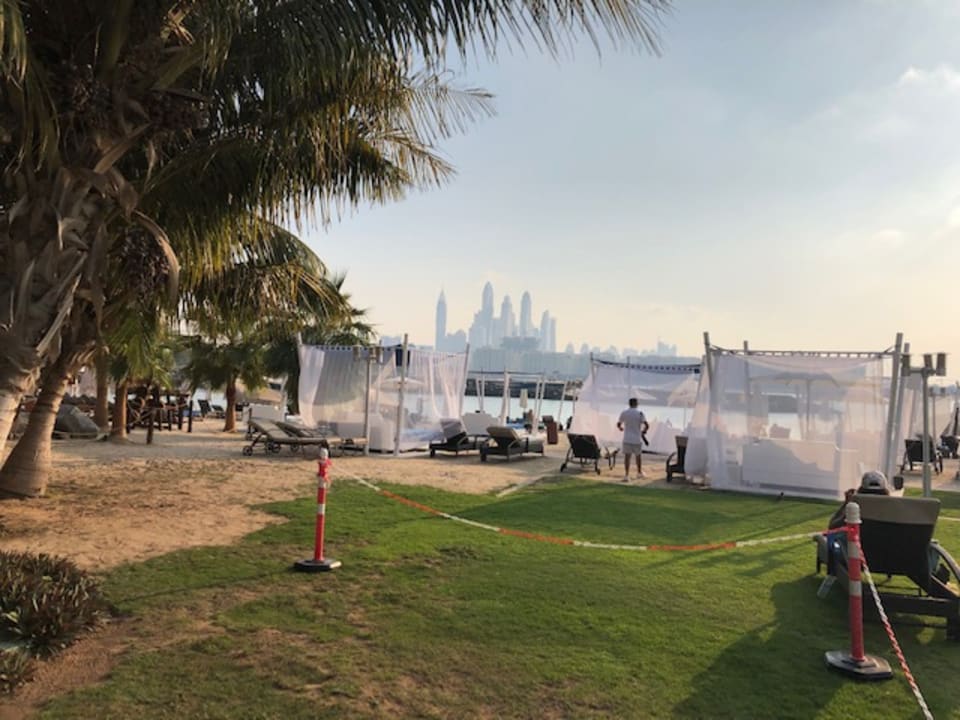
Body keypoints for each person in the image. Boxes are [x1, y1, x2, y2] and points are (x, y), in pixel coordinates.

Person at [617, 397, 650, 482]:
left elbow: (619, 424)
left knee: (627, 457)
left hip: (627, 438)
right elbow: (647, 425)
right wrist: (644, 431)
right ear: (636, 404)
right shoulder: (640, 413)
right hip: (637, 438)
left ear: (629, 404)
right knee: (638, 456)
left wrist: (621, 428)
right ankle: (639, 472)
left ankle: (626, 475)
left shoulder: (624, 413)